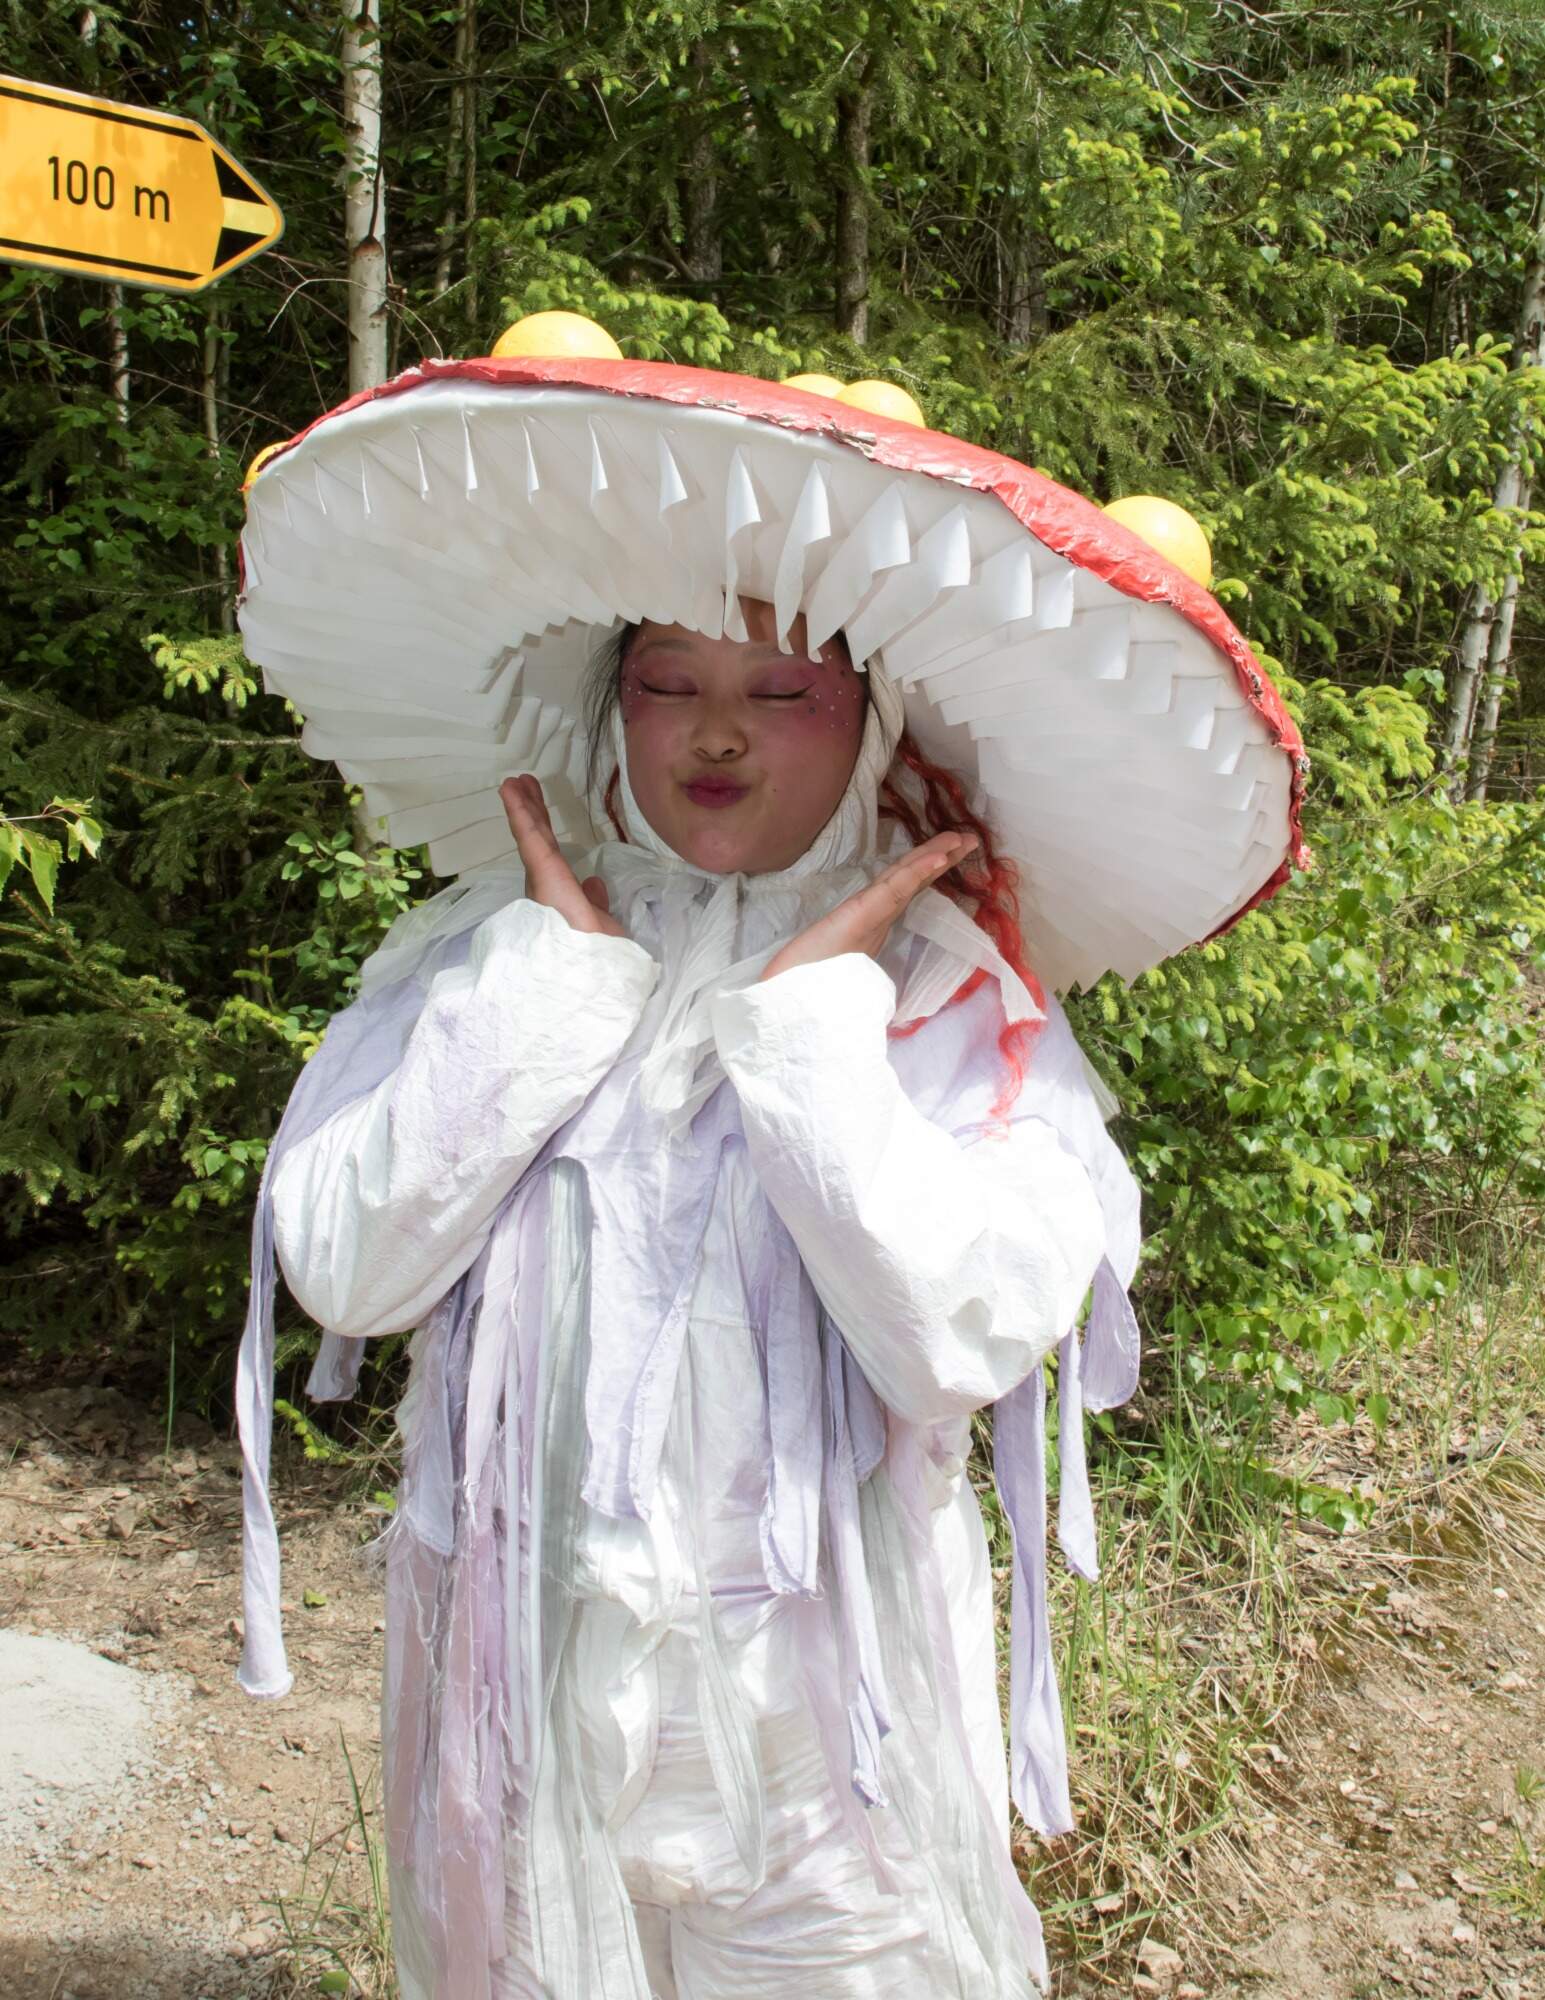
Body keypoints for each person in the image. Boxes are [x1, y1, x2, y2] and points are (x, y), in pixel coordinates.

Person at [232, 332, 1303, 2000]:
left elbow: (956, 1339)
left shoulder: (953, 1007)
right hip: (522, 1713)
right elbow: (347, 1268)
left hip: (830, 1760)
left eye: (781, 692)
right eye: (668, 683)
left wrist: (810, 1033)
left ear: (870, 725)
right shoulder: (477, 956)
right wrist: (549, 990)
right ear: (609, 708)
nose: (715, 736)